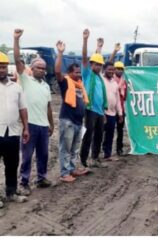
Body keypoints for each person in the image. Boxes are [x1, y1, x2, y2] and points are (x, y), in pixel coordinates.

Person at [14, 29, 54, 196]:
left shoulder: (45, 86)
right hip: (29, 125)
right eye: (39, 68)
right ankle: (24, 182)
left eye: (44, 68)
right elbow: (17, 59)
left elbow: (49, 107)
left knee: (44, 154)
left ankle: (41, 178)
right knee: (27, 156)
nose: (42, 70)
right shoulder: (25, 79)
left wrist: (51, 124)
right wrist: (16, 39)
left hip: (43, 126)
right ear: (32, 68)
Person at [55, 40, 89, 182]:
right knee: (66, 148)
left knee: (75, 148)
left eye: (79, 72)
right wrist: (60, 53)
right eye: (76, 72)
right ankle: (64, 173)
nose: (79, 74)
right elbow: (57, 71)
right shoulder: (65, 82)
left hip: (78, 122)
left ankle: (72, 169)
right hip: (67, 120)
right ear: (69, 73)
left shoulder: (80, 85)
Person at [0, 51, 29, 207]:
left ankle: (11, 192)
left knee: (12, 164)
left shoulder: (16, 87)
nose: (1, 70)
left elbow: (23, 108)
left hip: (12, 132)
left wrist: (25, 128)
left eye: (4, 67)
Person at [79, 29, 108, 168]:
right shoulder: (87, 74)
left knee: (98, 136)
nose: (98, 66)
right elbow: (85, 57)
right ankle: (83, 159)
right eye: (96, 64)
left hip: (100, 111)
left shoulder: (99, 78)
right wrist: (85, 39)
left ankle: (95, 158)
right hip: (89, 110)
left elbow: (97, 58)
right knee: (88, 135)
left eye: (100, 65)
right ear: (91, 65)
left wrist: (99, 48)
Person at [101, 61, 123, 160]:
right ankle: (95, 156)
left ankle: (107, 155)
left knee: (110, 135)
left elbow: (118, 99)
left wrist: (120, 113)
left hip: (112, 113)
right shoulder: (101, 80)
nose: (111, 71)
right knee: (98, 134)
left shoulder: (114, 83)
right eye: (109, 69)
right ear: (104, 70)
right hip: (102, 112)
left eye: (113, 69)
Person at [109, 43, 127, 156]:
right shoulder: (111, 80)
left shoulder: (124, 81)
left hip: (121, 109)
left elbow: (125, 96)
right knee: (109, 131)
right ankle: (107, 151)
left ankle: (119, 149)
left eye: (121, 69)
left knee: (120, 131)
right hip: (111, 109)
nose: (119, 70)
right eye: (117, 69)